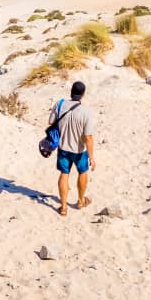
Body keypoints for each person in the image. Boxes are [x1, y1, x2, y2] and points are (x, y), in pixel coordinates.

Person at [49, 81, 96, 217]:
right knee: (82, 172)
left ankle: (63, 207)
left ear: (71, 91)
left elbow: (51, 122)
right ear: (83, 94)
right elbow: (88, 137)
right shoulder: (86, 112)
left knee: (64, 174)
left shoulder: (60, 104)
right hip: (79, 150)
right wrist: (92, 158)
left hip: (63, 147)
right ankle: (81, 201)